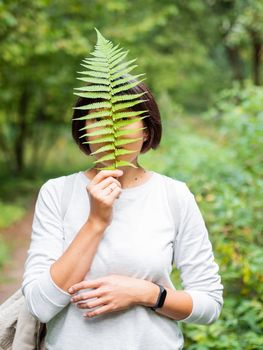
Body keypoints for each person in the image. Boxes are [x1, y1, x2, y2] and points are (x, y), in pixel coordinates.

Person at [21, 79, 224, 350]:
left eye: (124, 117)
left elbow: (209, 304)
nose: (111, 128)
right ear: (84, 131)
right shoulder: (58, 193)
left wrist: (148, 294)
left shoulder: (173, 195)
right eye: (99, 119)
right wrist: (96, 221)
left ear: (146, 132)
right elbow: (40, 305)